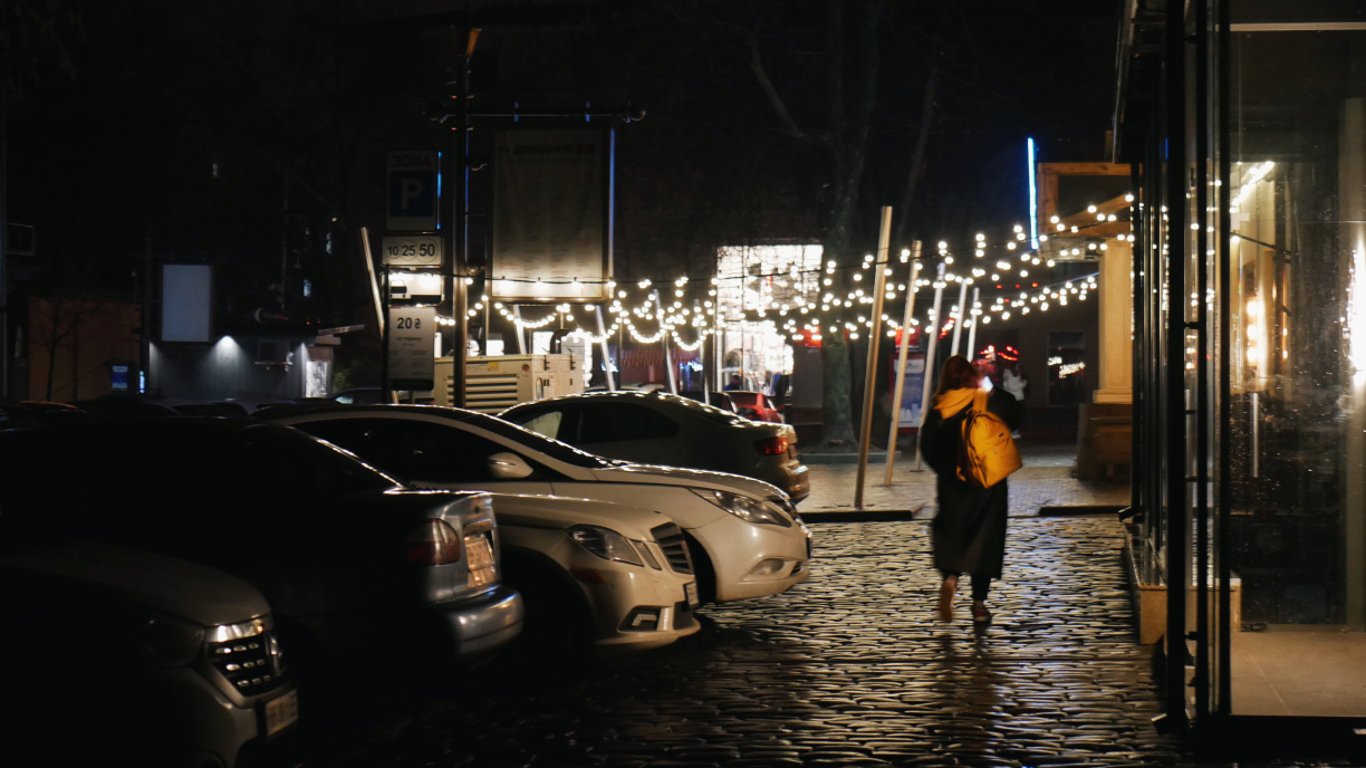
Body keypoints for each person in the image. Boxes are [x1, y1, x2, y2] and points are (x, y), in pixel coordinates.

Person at [919, 355, 1023, 626]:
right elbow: (1016, 414)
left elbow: (927, 448)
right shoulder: (987, 399)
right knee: (985, 542)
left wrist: (948, 470)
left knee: (951, 535)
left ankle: (950, 579)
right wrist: (988, 386)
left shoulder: (939, 407)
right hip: (989, 484)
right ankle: (979, 604)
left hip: (953, 485)